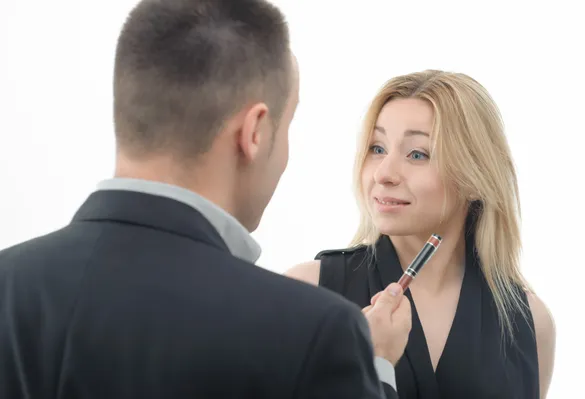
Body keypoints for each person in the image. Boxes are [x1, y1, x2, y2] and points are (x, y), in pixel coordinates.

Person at [0, 0, 412, 398]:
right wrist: (374, 367)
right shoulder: (313, 332)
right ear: (254, 132)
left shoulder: (9, 287)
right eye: (287, 126)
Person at [285, 70, 556, 398]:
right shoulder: (306, 294)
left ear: (474, 177)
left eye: (417, 154)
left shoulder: (530, 324)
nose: (384, 174)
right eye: (377, 148)